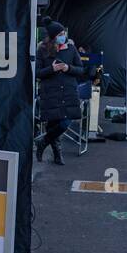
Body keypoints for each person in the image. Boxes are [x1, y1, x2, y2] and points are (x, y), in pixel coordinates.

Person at [34, 21, 85, 165]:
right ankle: (57, 155)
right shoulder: (42, 50)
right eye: (60, 34)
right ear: (53, 37)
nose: (64, 36)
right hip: (50, 92)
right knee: (53, 123)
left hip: (68, 91)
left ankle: (42, 142)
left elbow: (81, 70)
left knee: (64, 123)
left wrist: (68, 68)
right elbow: (37, 73)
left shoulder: (71, 48)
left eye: (64, 34)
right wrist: (52, 69)